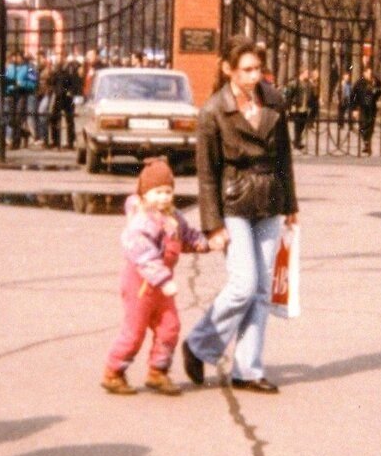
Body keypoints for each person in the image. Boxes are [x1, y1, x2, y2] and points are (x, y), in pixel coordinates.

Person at [182, 35, 298, 393]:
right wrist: (212, 225)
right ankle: (199, 344)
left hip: (269, 200)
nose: (254, 77)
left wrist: (291, 205)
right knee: (243, 284)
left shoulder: (274, 101)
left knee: (262, 290)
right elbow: (205, 175)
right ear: (228, 70)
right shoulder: (213, 111)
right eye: (246, 70)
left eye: (258, 69)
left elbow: (283, 158)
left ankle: (247, 370)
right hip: (233, 201)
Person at [102, 157, 213, 396]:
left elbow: (187, 236)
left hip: (163, 288)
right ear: (143, 195)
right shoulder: (141, 222)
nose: (164, 197)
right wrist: (163, 280)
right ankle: (113, 372)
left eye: (168, 191)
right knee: (134, 332)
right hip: (141, 286)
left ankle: (158, 371)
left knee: (169, 327)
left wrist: (206, 243)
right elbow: (144, 255)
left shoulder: (173, 217)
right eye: (158, 192)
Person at [349, 66, 381, 156]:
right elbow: (353, 97)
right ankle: (366, 142)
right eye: (369, 73)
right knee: (363, 125)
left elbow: (379, 91)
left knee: (371, 125)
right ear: (364, 73)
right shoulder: (359, 83)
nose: (370, 75)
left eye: (371, 73)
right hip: (362, 107)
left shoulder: (374, 82)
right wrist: (354, 109)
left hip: (372, 107)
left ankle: (367, 143)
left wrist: (376, 83)